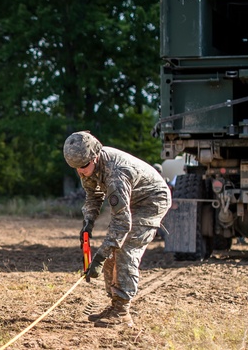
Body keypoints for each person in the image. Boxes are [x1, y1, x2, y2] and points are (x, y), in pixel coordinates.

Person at [63, 131, 171, 328]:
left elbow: (122, 223)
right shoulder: (87, 164)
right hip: (132, 198)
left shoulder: (117, 174)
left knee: (125, 250)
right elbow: (93, 196)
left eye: (84, 167)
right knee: (112, 253)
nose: (80, 172)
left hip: (151, 201)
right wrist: (88, 221)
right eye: (76, 168)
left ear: (95, 156)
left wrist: (100, 256)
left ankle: (122, 311)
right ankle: (115, 305)